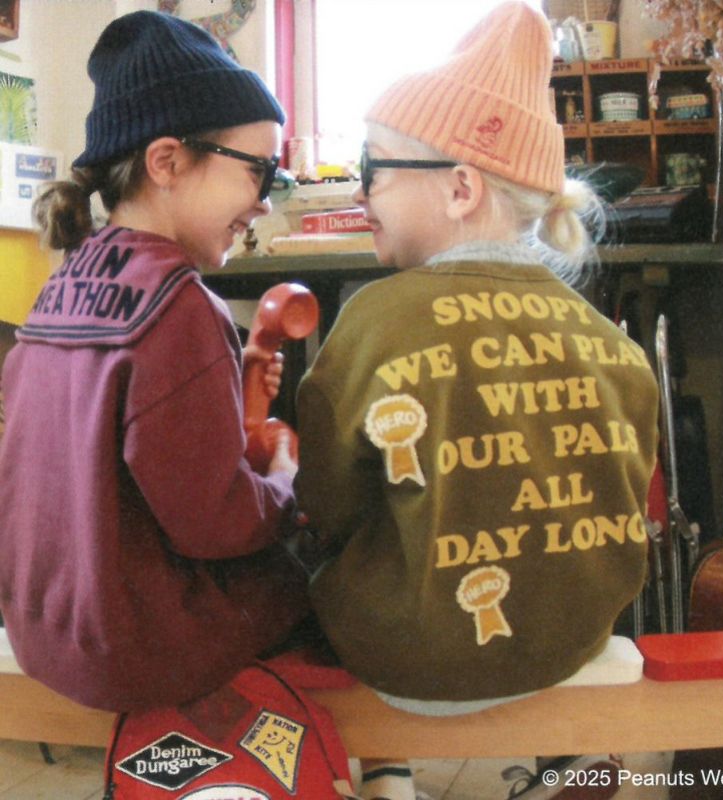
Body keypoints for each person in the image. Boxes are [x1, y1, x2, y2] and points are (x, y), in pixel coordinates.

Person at [295, 5, 658, 794]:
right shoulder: (612, 341)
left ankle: (384, 766)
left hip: (405, 656)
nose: (361, 189)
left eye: (374, 167)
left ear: (461, 187)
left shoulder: (374, 319)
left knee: (290, 552)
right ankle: (567, 762)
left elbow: (324, 505)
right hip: (570, 641)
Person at [0, 11, 309, 712]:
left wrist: (225, 384)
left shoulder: (63, 281)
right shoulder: (181, 304)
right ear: (166, 162)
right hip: (141, 649)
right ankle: (367, 760)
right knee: (321, 571)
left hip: (45, 631)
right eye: (258, 172)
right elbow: (217, 523)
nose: (265, 203)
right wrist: (286, 486)